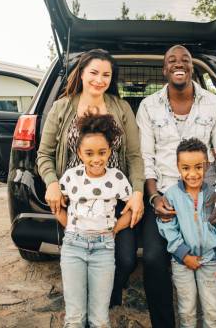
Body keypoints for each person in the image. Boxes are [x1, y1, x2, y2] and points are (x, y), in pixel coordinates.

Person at [136, 44, 216, 327]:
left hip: (205, 194)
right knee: (152, 259)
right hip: (164, 195)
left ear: (192, 68)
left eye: (185, 60)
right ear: (164, 70)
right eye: (172, 60)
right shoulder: (148, 106)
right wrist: (153, 199)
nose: (179, 64)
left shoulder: (213, 104)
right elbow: (145, 159)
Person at [36, 49, 145, 307]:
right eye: (94, 72)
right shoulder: (62, 107)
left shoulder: (121, 107)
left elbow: (134, 155)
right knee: (78, 258)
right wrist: (52, 182)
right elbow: (44, 154)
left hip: (115, 197)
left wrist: (138, 192)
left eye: (106, 74)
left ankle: (105, 300)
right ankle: (81, 304)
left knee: (127, 259)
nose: (99, 79)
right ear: (82, 73)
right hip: (75, 199)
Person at [55, 114, 133, 327]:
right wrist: (70, 227)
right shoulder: (71, 177)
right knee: (74, 318)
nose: (96, 159)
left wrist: (115, 229)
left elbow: (131, 208)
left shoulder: (117, 178)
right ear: (79, 152)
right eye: (89, 153)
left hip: (104, 249)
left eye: (102, 152)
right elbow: (58, 206)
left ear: (110, 151)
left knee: (99, 319)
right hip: (73, 247)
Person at [157, 138, 216, 328]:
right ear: (178, 167)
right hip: (182, 263)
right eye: (186, 168)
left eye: (198, 167)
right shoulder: (171, 195)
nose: (192, 174)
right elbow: (167, 228)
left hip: (211, 260)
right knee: (187, 311)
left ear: (206, 165)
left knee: (213, 311)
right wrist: (183, 254)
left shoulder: (214, 195)